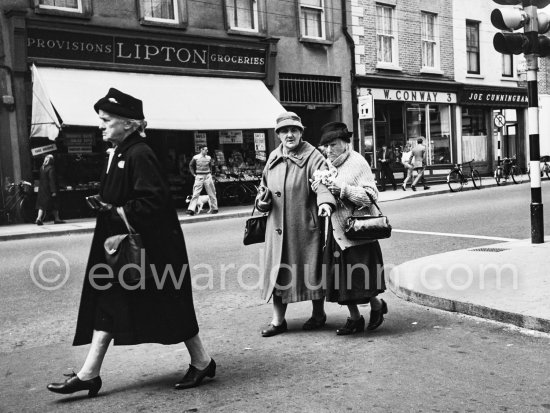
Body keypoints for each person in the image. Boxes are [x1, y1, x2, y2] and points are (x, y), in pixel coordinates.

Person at [47, 88, 214, 397]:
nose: (100, 125)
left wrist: (116, 210)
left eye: (106, 120)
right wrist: (107, 202)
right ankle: (89, 373)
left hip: (149, 251)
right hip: (125, 249)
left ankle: (202, 361)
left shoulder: (139, 153)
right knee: (111, 303)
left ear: (127, 123)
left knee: (168, 306)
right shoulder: (121, 152)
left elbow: (154, 202)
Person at [256, 111, 336, 337]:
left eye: (294, 130)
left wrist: (325, 203)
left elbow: (322, 184)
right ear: (278, 134)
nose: (289, 134)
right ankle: (278, 321)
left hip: (303, 227)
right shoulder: (273, 156)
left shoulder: (313, 157)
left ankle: (318, 315)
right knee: (279, 273)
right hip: (277, 228)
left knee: (311, 272)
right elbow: (263, 187)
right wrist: (262, 202)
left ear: (301, 132)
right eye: (284, 131)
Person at [316, 122, 387, 335]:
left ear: (346, 143)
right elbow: (325, 191)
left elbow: (371, 195)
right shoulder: (327, 164)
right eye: (326, 146)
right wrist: (318, 187)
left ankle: (375, 305)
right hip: (336, 231)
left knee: (359, 280)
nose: (329, 150)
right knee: (341, 281)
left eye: (333, 144)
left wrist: (343, 190)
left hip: (357, 232)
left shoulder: (357, 162)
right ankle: (356, 317)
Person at [187, 145, 218, 215]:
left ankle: (215, 208)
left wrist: (210, 174)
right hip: (199, 176)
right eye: (205, 150)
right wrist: (194, 174)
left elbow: (211, 166)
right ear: (201, 150)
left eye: (207, 150)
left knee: (212, 192)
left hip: (207, 175)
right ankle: (191, 209)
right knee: (195, 193)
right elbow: (190, 165)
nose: (207, 151)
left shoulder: (208, 157)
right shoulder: (195, 157)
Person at [35, 154, 65, 225]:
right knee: (55, 204)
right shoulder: (51, 168)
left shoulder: (42, 167)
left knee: (42, 205)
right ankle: (57, 219)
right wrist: (53, 191)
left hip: (42, 189)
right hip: (49, 190)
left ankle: (38, 218)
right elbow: (52, 180)